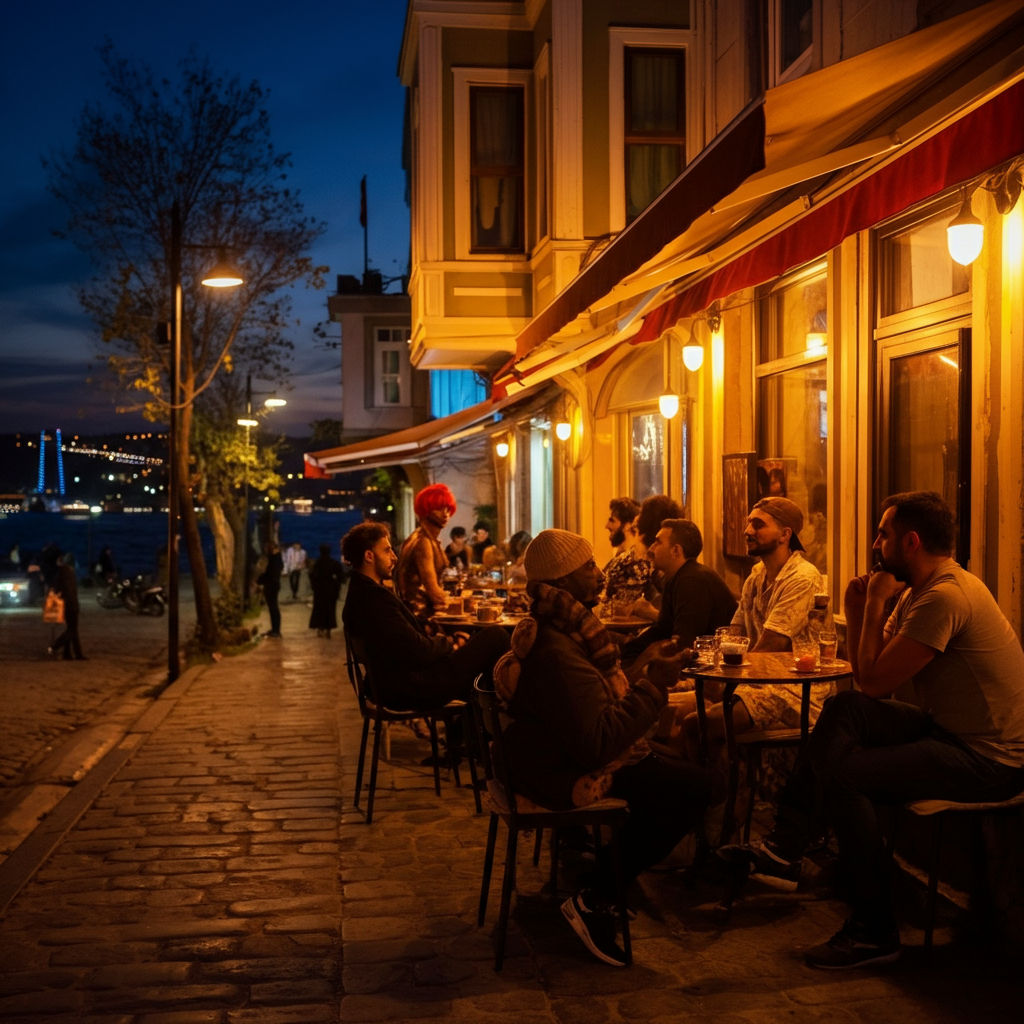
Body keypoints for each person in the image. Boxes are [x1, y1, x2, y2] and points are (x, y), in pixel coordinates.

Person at [725, 492, 1024, 969]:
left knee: (849, 776)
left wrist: (875, 603)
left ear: (910, 541)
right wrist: (863, 607)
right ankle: (787, 846)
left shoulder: (945, 596)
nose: (874, 544)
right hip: (948, 730)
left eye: (882, 534)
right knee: (844, 709)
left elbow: (875, 683)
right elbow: (864, 688)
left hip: (989, 757)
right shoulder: (922, 590)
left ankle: (873, 929)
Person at [496, 529, 714, 967]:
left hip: (548, 757)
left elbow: (595, 703)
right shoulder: (557, 650)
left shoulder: (564, 630)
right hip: (563, 772)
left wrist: (644, 672)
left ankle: (612, 876)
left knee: (685, 771)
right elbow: (598, 742)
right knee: (699, 787)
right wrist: (655, 685)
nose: (599, 575)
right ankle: (596, 895)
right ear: (562, 582)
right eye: (588, 568)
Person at [342, 522, 509, 711]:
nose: (394, 557)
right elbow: (417, 651)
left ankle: (468, 729)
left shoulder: (362, 592)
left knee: (480, 649)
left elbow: (405, 638)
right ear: (369, 556)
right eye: (387, 551)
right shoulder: (372, 599)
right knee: (496, 636)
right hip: (411, 687)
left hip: (398, 681)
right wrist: (450, 644)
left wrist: (438, 634)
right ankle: (492, 728)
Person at [723, 496, 833, 737]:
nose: (747, 531)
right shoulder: (755, 576)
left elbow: (771, 645)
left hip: (795, 690)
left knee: (709, 720)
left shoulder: (803, 578)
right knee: (684, 715)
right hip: (759, 680)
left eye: (758, 525)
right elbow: (734, 634)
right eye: (748, 523)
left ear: (785, 535)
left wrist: (727, 680)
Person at [621, 519, 736, 665]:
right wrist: (625, 650)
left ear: (676, 550)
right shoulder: (676, 578)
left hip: (713, 668)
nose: (651, 548)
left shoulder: (692, 579)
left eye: (657, 542)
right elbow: (662, 630)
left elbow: (684, 642)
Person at [397, 484, 456, 621]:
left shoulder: (427, 538)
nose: (445, 514)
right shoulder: (423, 542)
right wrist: (458, 602)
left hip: (420, 613)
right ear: (426, 510)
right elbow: (433, 591)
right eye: (439, 508)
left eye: (447, 508)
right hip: (420, 616)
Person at [629, 495, 685, 621]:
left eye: (642, 513)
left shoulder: (669, 573)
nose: (636, 520)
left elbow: (677, 622)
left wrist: (647, 612)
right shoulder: (659, 570)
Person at [601, 497, 651, 607]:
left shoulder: (635, 562)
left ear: (628, 524)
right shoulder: (620, 559)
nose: (607, 526)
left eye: (612, 520)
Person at [50, 552, 85, 660]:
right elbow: (70, 591)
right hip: (71, 605)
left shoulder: (61, 572)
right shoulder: (69, 572)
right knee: (72, 630)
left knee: (72, 629)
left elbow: (57, 588)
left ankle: (69, 654)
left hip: (67, 604)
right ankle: (56, 646)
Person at [308, 543, 344, 638]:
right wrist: (337, 585)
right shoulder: (334, 563)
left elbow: (312, 575)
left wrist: (314, 586)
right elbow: (341, 576)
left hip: (319, 589)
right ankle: (328, 629)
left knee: (319, 609)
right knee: (330, 609)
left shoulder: (317, 563)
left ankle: (320, 628)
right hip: (330, 589)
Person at [257, 541, 284, 637]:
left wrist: (260, 580)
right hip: (273, 585)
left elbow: (269, 574)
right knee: (273, 608)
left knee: (273, 607)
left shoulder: (274, 560)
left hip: (271, 585)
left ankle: (276, 630)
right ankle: (275, 629)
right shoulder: (277, 559)